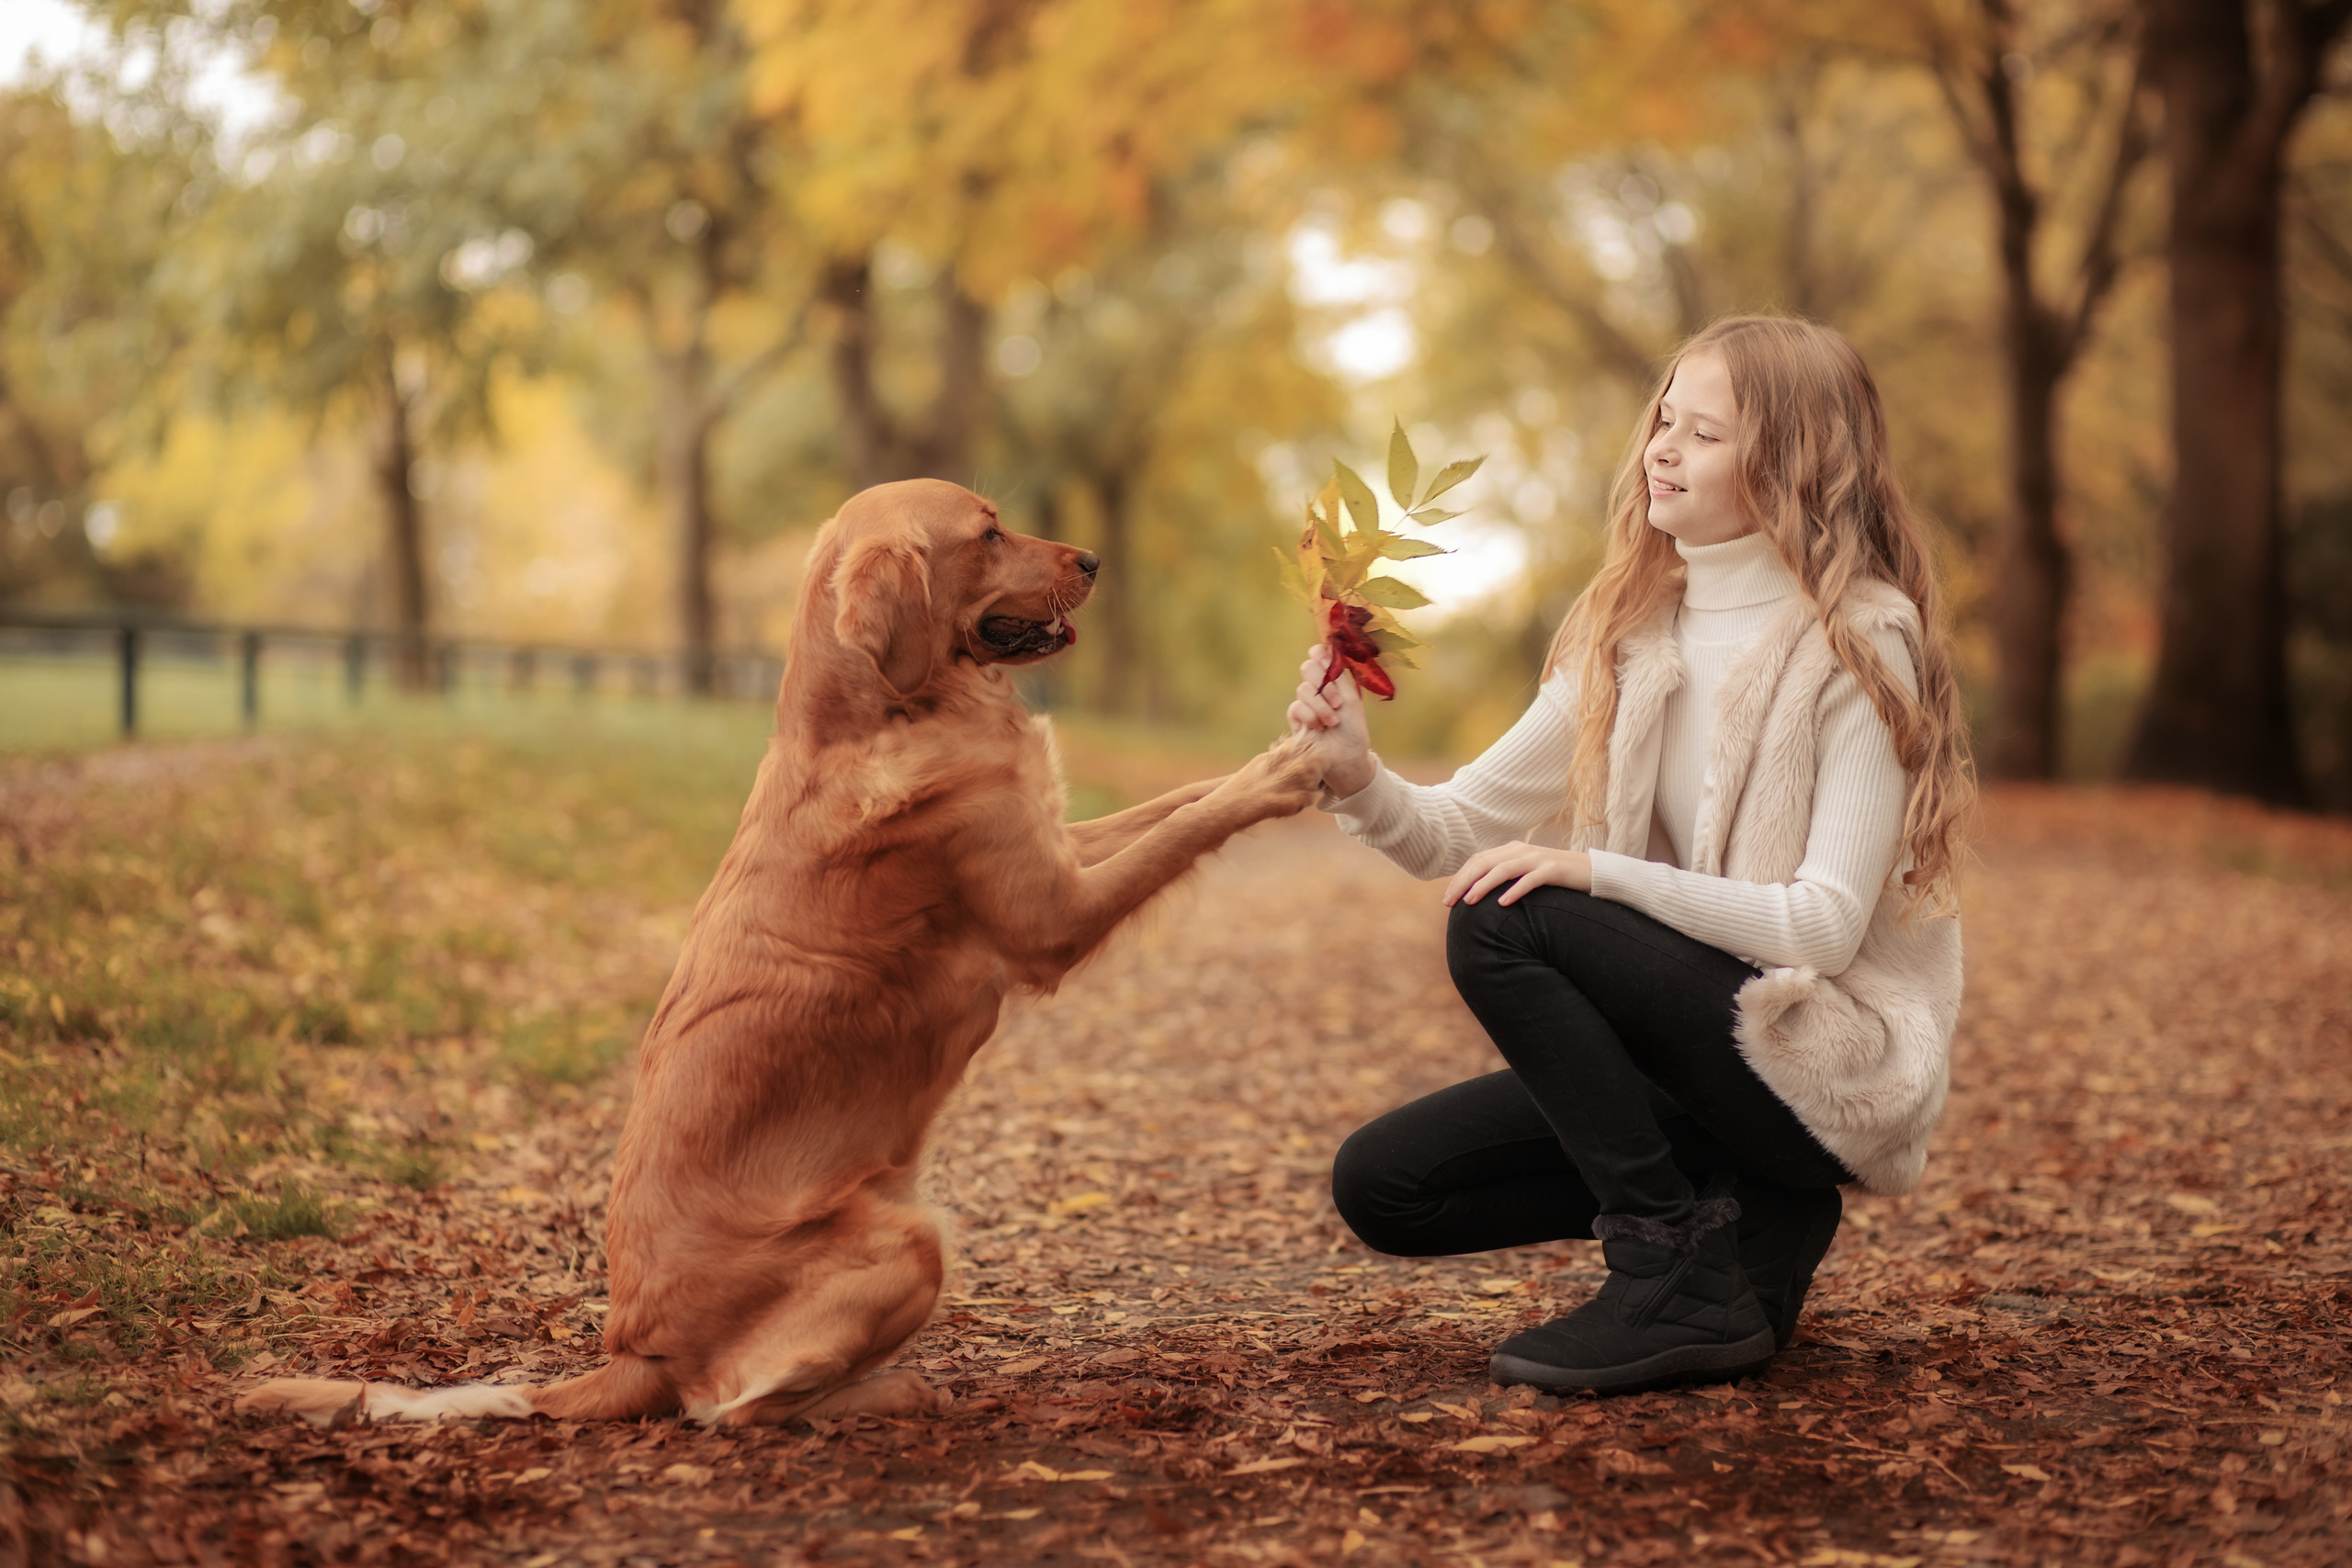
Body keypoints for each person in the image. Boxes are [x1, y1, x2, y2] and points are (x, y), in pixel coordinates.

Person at [1287, 315, 1972, 1394]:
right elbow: (1454, 829)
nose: (1660, 447)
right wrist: (1356, 777)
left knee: (1507, 916)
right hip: (1688, 1064)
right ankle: (1748, 1220)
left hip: (1821, 1060)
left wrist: (1598, 874)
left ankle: (1673, 1270)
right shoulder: (1629, 629)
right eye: (1664, 419)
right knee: (1386, 1186)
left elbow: (1822, 926)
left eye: (1704, 433)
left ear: (1791, 463)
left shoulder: (1859, 635)